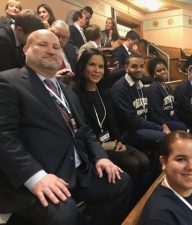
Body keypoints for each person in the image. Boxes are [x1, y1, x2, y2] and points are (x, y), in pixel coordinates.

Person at [0, 29, 131, 225]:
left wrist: (102, 158)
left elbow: (84, 130)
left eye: (56, 47)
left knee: (122, 182)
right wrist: (36, 177)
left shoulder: (66, 90)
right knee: (65, 216)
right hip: (44, 174)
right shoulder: (9, 81)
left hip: (78, 170)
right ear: (26, 48)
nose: (52, 50)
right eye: (43, 45)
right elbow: (4, 136)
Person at [74, 48, 149, 183]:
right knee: (134, 164)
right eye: (92, 65)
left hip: (112, 142)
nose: (97, 70)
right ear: (82, 66)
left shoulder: (104, 92)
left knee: (144, 160)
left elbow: (113, 121)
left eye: (101, 66)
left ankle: (140, 201)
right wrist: (102, 146)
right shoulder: (74, 95)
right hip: (95, 149)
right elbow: (80, 132)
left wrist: (119, 141)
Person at [111, 53, 166, 151]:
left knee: (173, 131)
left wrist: (162, 125)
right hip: (128, 131)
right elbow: (132, 120)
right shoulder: (119, 88)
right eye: (134, 66)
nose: (139, 69)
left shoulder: (140, 85)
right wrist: (159, 128)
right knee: (165, 138)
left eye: (141, 66)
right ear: (126, 67)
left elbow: (150, 111)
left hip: (142, 126)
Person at [146, 57, 187, 131]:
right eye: (158, 71)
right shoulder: (153, 88)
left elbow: (172, 106)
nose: (162, 72)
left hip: (171, 116)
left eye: (164, 69)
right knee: (182, 127)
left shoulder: (167, 86)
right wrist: (164, 124)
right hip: (162, 121)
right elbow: (156, 112)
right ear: (154, 74)